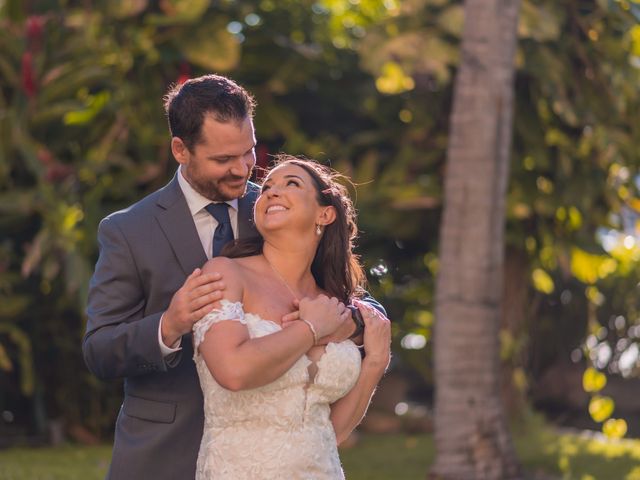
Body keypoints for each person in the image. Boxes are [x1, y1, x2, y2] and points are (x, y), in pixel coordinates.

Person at [83, 74, 388, 480]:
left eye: (248, 152)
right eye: (223, 160)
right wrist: (168, 325)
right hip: (167, 449)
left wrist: (342, 320)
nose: (243, 170)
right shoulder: (128, 230)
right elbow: (99, 349)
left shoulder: (272, 206)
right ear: (181, 150)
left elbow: (342, 283)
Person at [192, 155, 391, 479]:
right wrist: (310, 329)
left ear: (325, 214)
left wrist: (374, 364)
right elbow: (233, 372)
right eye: (267, 186)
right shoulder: (226, 274)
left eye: (291, 183)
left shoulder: (333, 303)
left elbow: (330, 434)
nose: (271, 191)